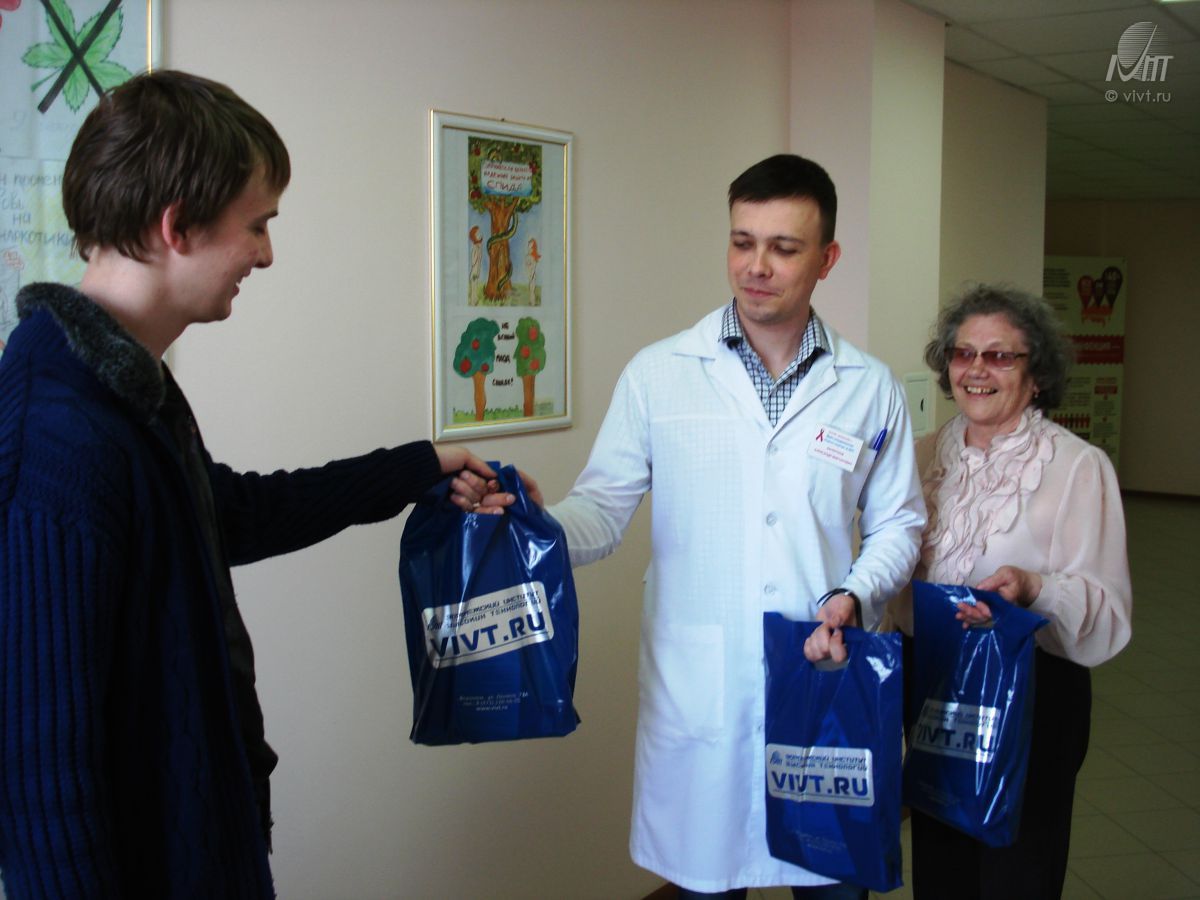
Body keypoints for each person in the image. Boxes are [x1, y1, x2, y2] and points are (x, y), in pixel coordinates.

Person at [0, 70, 503, 898]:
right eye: (257, 225)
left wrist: (415, 467)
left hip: (209, 843)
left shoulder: (122, 385)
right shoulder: (56, 432)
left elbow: (228, 512)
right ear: (178, 226)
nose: (266, 254)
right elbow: (40, 776)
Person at [545, 154, 926, 898]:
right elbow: (600, 511)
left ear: (827, 260)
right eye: (742, 241)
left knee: (831, 880)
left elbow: (898, 524)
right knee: (706, 881)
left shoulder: (868, 386)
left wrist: (855, 593)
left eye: (783, 248)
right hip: (702, 689)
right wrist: (529, 528)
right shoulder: (659, 373)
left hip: (822, 669)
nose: (756, 266)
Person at [887, 284, 1132, 900]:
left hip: (1031, 692)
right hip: (936, 682)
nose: (976, 369)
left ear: (1037, 372)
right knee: (941, 864)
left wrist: (1033, 588)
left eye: (1000, 356)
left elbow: (1106, 605)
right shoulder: (921, 456)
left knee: (1017, 869)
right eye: (963, 353)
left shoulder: (1077, 467)